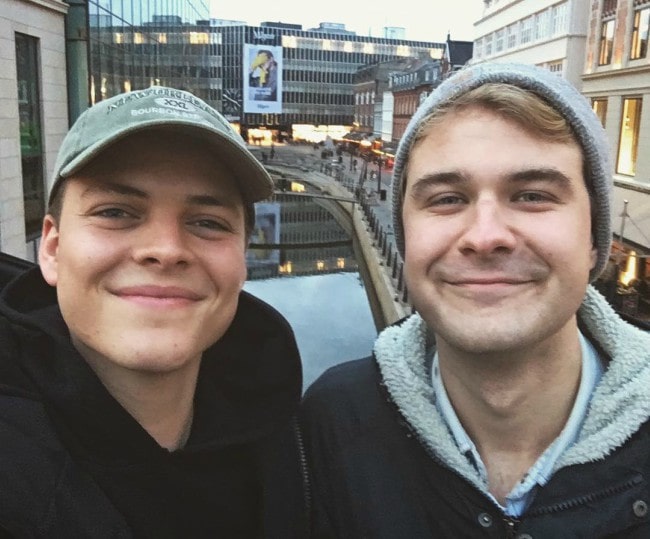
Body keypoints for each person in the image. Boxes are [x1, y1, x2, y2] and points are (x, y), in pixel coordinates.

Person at [300, 63, 650, 537]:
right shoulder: (330, 422)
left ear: (593, 239)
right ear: (405, 239)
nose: (485, 237)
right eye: (446, 199)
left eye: (531, 195)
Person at [0, 86, 307, 537]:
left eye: (207, 222)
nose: (166, 250)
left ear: (242, 260)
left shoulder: (302, 441)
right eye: (116, 211)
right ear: (53, 249)